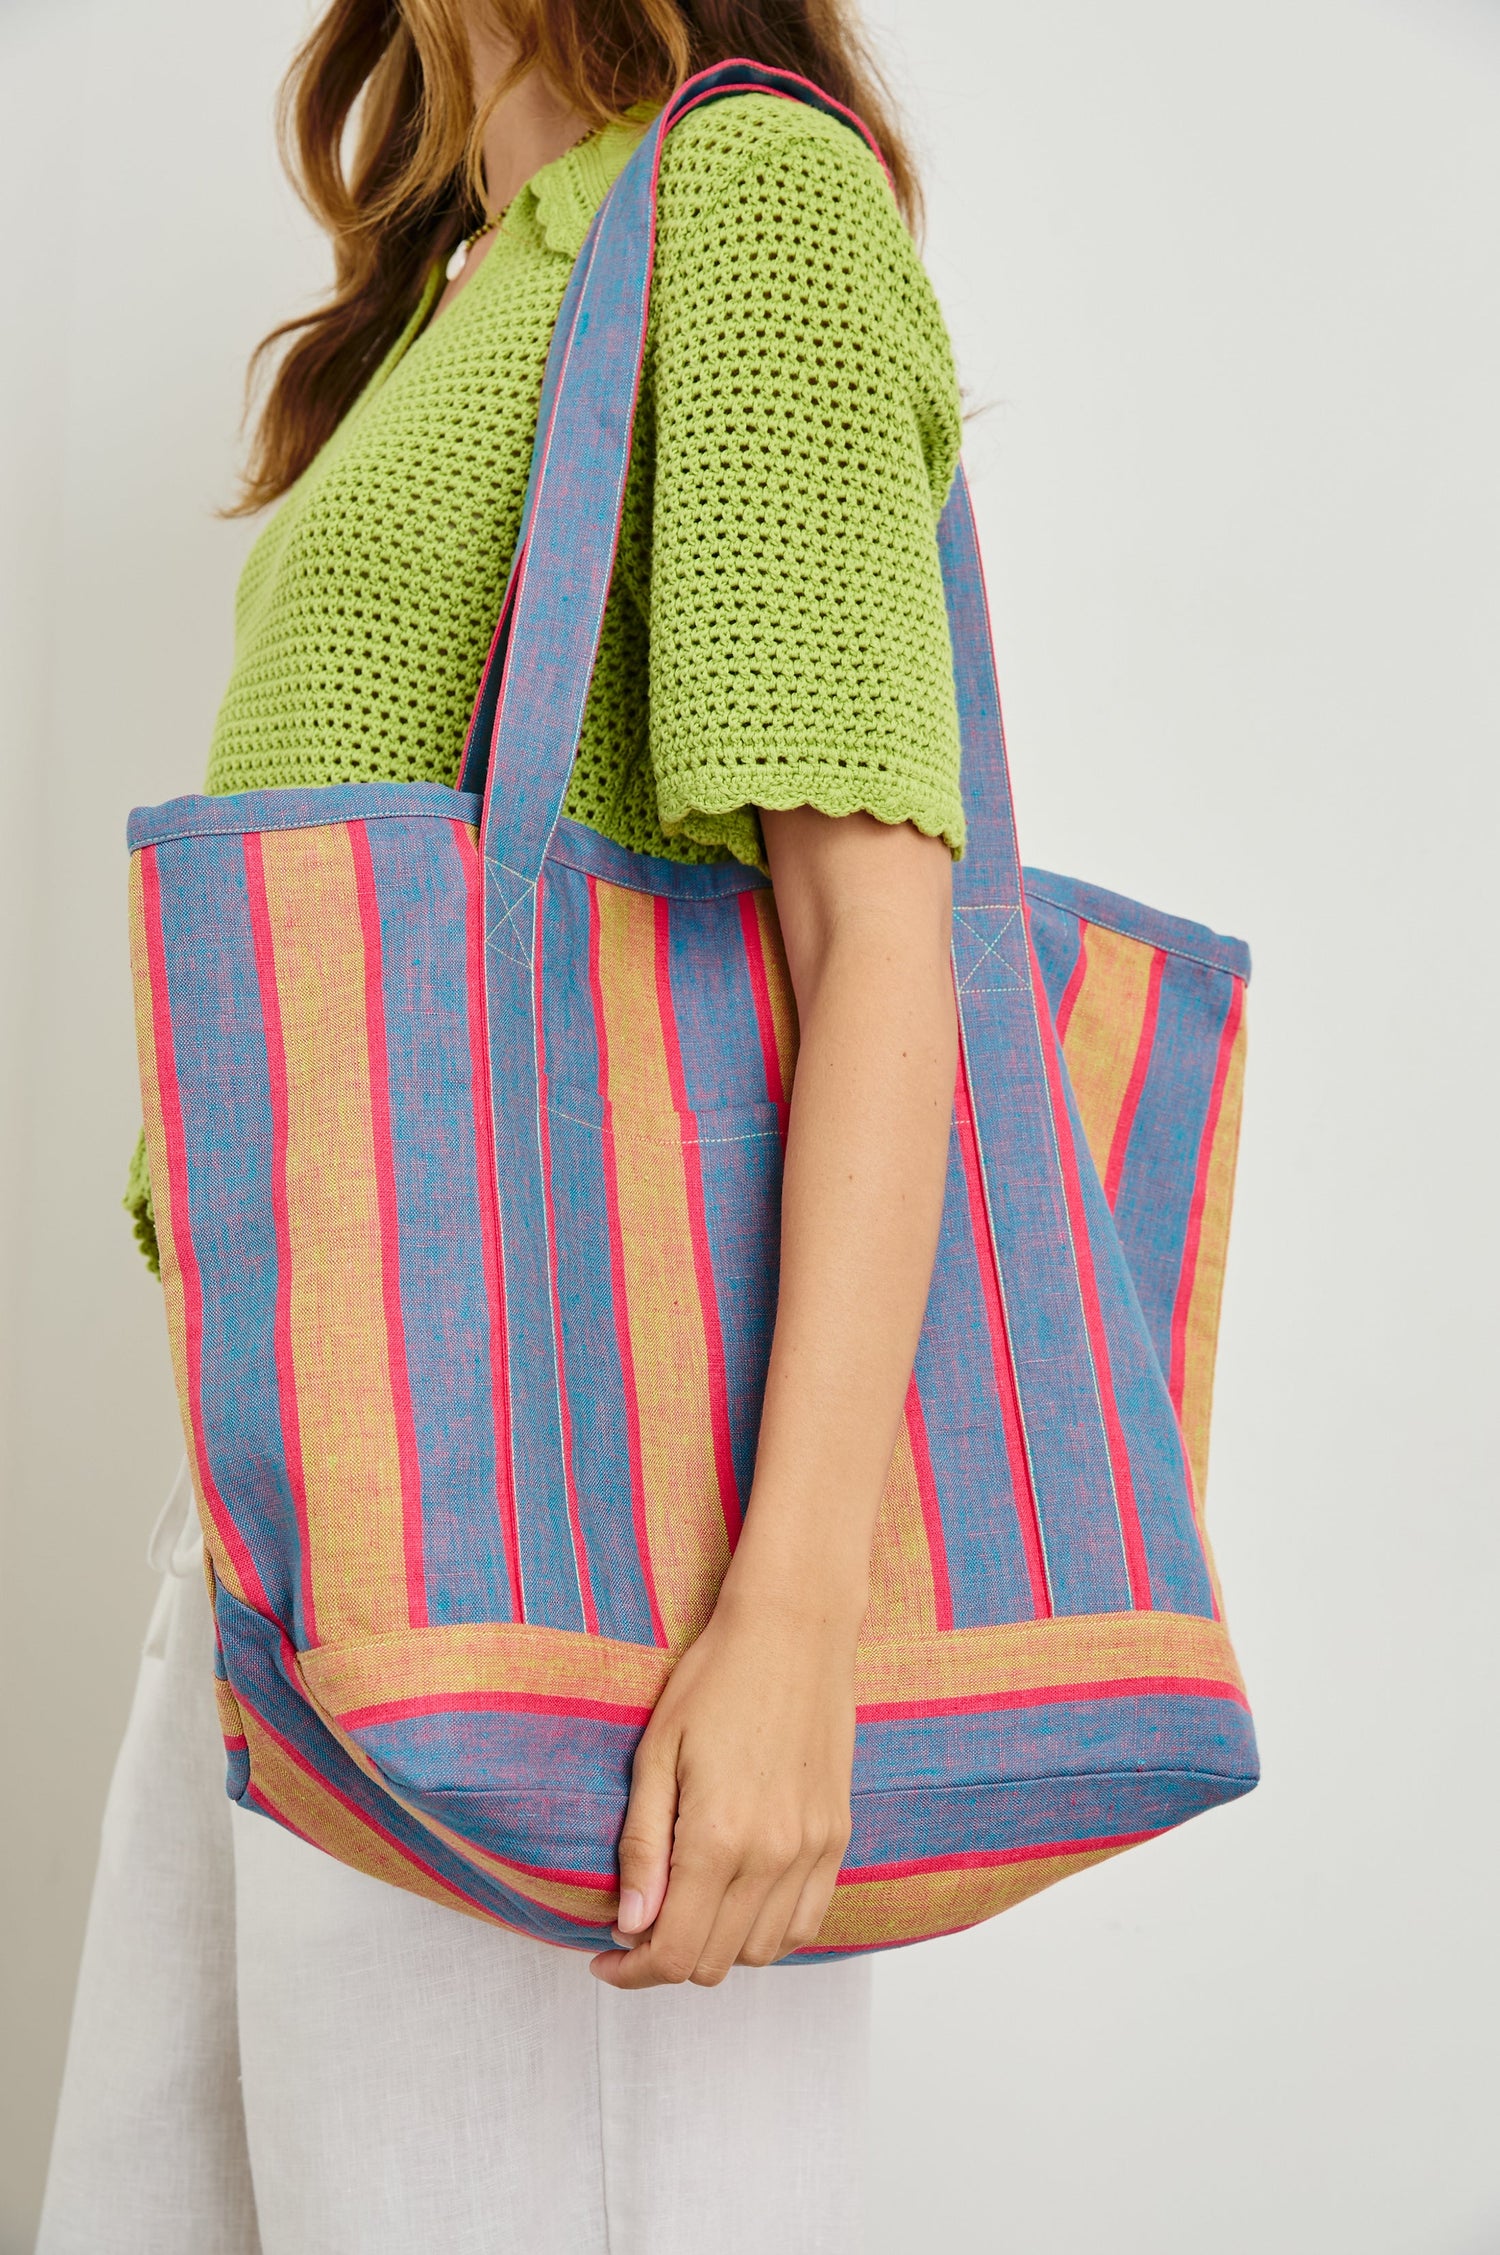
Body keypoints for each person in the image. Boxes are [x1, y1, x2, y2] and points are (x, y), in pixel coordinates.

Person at [40, 3, 966, 2248]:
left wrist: (790, 1635)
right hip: (287, 1522)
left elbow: (878, 949)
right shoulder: (473, 272)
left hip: (578, 1579)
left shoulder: (743, 194)